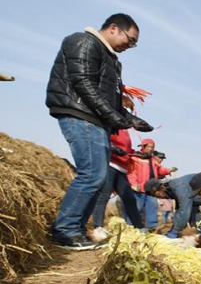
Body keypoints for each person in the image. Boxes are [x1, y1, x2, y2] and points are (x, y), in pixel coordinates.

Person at [45, 13, 152, 250]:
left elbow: (111, 100)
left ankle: (75, 230)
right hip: (80, 114)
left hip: (97, 119)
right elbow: (83, 83)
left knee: (100, 177)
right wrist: (113, 116)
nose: (130, 46)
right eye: (130, 39)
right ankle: (64, 230)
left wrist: (130, 119)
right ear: (113, 28)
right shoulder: (84, 42)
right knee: (92, 173)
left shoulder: (112, 60)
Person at [90, 126, 144, 241]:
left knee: (129, 198)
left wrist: (137, 154)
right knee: (104, 195)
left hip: (122, 170)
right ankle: (97, 226)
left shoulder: (126, 132)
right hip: (110, 164)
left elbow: (127, 150)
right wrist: (112, 148)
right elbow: (102, 139)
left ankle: (139, 227)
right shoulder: (112, 126)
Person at [144, 173, 201, 238]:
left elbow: (184, 210)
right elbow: (180, 209)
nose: (157, 197)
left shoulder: (179, 186)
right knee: (198, 223)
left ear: (160, 188)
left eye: (155, 195)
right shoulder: (171, 190)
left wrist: (175, 231)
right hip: (199, 202)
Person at [128, 138, 172, 228]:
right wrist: (134, 185)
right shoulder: (135, 158)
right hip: (139, 188)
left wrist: (169, 170)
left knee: (152, 207)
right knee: (137, 208)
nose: (151, 149)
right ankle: (131, 227)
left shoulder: (153, 160)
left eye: (153, 147)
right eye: (149, 147)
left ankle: (152, 228)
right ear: (143, 147)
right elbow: (131, 173)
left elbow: (160, 170)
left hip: (152, 189)